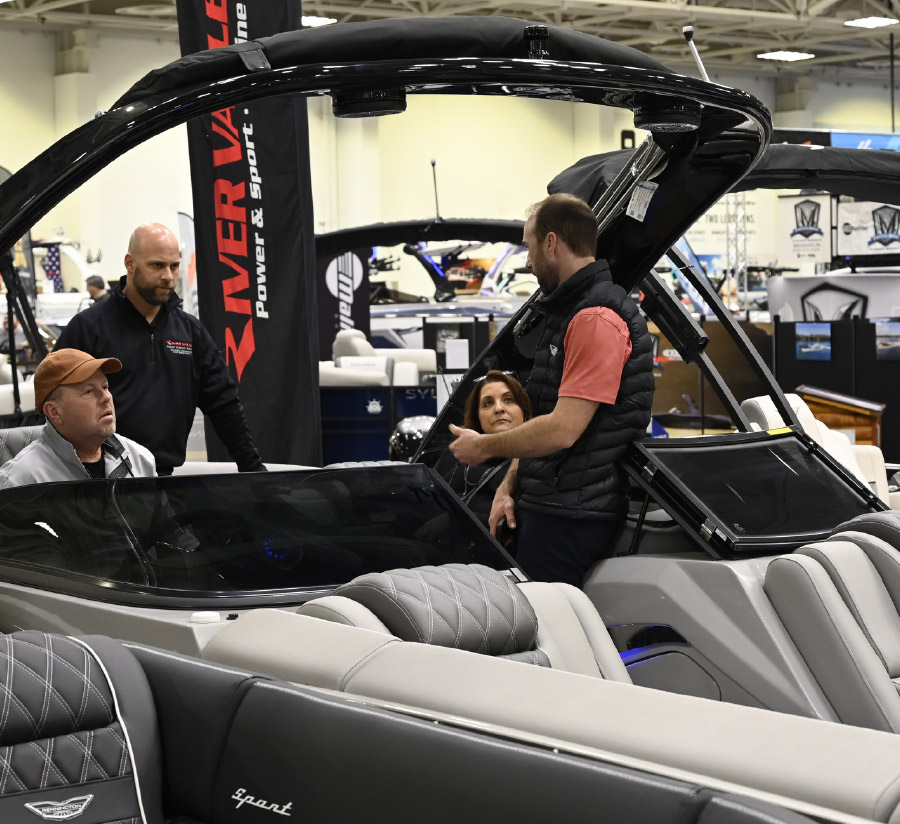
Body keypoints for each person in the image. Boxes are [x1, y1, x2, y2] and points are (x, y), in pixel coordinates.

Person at [449, 193, 654, 587]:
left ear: (551, 243)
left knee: (552, 631)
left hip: (572, 516)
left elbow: (563, 429)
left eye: (529, 246)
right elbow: (544, 417)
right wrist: (509, 485)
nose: (527, 261)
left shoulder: (595, 319)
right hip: (553, 503)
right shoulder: (570, 312)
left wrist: (485, 446)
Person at [54, 223, 264, 475]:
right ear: (130, 263)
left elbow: (224, 405)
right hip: (97, 481)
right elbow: (54, 403)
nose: (168, 276)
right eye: (157, 265)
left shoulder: (190, 332)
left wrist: (253, 470)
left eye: (174, 266)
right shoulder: (88, 328)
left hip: (164, 480)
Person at [0, 348, 156, 488]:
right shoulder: (20, 482)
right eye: (88, 391)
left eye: (105, 387)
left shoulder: (140, 460)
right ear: (54, 412)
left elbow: (162, 520)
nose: (106, 397)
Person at [434, 370, 531, 528]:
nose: (499, 409)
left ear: (524, 411)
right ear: (477, 416)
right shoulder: (457, 452)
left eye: (508, 400)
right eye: (488, 403)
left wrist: (449, 521)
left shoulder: (535, 462)